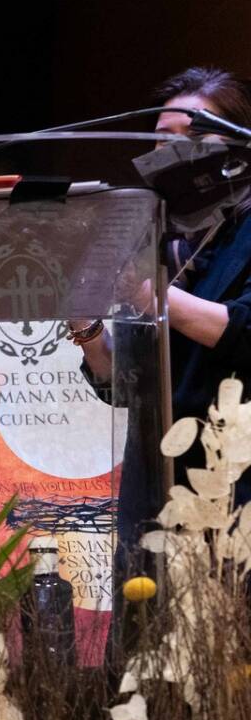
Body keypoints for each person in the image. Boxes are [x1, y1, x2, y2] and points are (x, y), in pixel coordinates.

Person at [75, 67, 251, 576]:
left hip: (234, 474)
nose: (172, 149)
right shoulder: (154, 236)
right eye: (161, 138)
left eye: (193, 134)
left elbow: (243, 331)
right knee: (149, 617)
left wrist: (148, 294)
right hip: (155, 476)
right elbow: (127, 387)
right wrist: (86, 325)